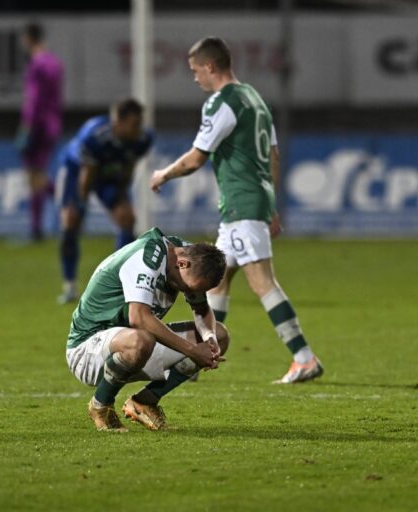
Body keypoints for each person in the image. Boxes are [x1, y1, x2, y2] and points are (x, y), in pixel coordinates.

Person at [149, 37, 323, 384]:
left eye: (195, 71)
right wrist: (270, 202)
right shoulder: (255, 100)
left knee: (262, 282)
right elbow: (273, 153)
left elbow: (197, 157)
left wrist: (164, 173)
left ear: (210, 67)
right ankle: (202, 356)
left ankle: (304, 358)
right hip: (249, 202)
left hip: (242, 202)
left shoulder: (222, 103)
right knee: (218, 279)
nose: (195, 78)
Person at [65, 227, 229, 432]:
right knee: (141, 339)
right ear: (182, 264)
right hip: (88, 351)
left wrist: (209, 338)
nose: (190, 293)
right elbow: (138, 318)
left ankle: (144, 402)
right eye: (190, 287)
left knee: (220, 336)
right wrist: (191, 350)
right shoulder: (147, 258)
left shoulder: (188, 256)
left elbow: (202, 310)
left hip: (133, 345)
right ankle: (101, 405)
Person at [55, 98, 154, 304]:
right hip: (77, 172)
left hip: (109, 176)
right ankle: (70, 285)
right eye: (134, 124)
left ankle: (119, 283)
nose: (139, 129)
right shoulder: (94, 135)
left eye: (140, 123)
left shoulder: (142, 139)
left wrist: (120, 196)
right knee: (71, 221)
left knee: (127, 218)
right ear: (118, 122)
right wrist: (80, 204)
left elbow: (129, 168)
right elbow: (86, 174)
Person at [16, 21, 63, 241]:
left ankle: (37, 229)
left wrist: (26, 126)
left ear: (28, 38)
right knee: (39, 174)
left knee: (34, 176)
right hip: (52, 123)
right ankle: (68, 203)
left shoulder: (36, 64)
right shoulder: (55, 63)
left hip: (37, 125)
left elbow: (33, 99)